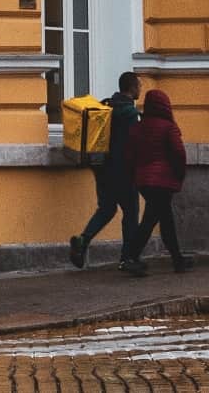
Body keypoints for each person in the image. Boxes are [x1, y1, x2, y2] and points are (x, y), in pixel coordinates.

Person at [68, 72, 143, 271]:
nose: (141, 89)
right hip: (124, 172)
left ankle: (83, 240)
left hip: (102, 169)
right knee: (131, 213)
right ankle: (127, 259)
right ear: (132, 88)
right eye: (139, 86)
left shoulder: (106, 105)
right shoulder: (130, 114)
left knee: (107, 209)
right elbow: (134, 145)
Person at [121, 89, 192, 277]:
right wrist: (179, 174)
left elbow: (129, 155)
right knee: (154, 220)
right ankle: (131, 257)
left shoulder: (138, 127)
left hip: (143, 181)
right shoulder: (168, 127)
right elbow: (179, 153)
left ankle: (177, 259)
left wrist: (133, 177)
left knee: (159, 219)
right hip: (162, 181)